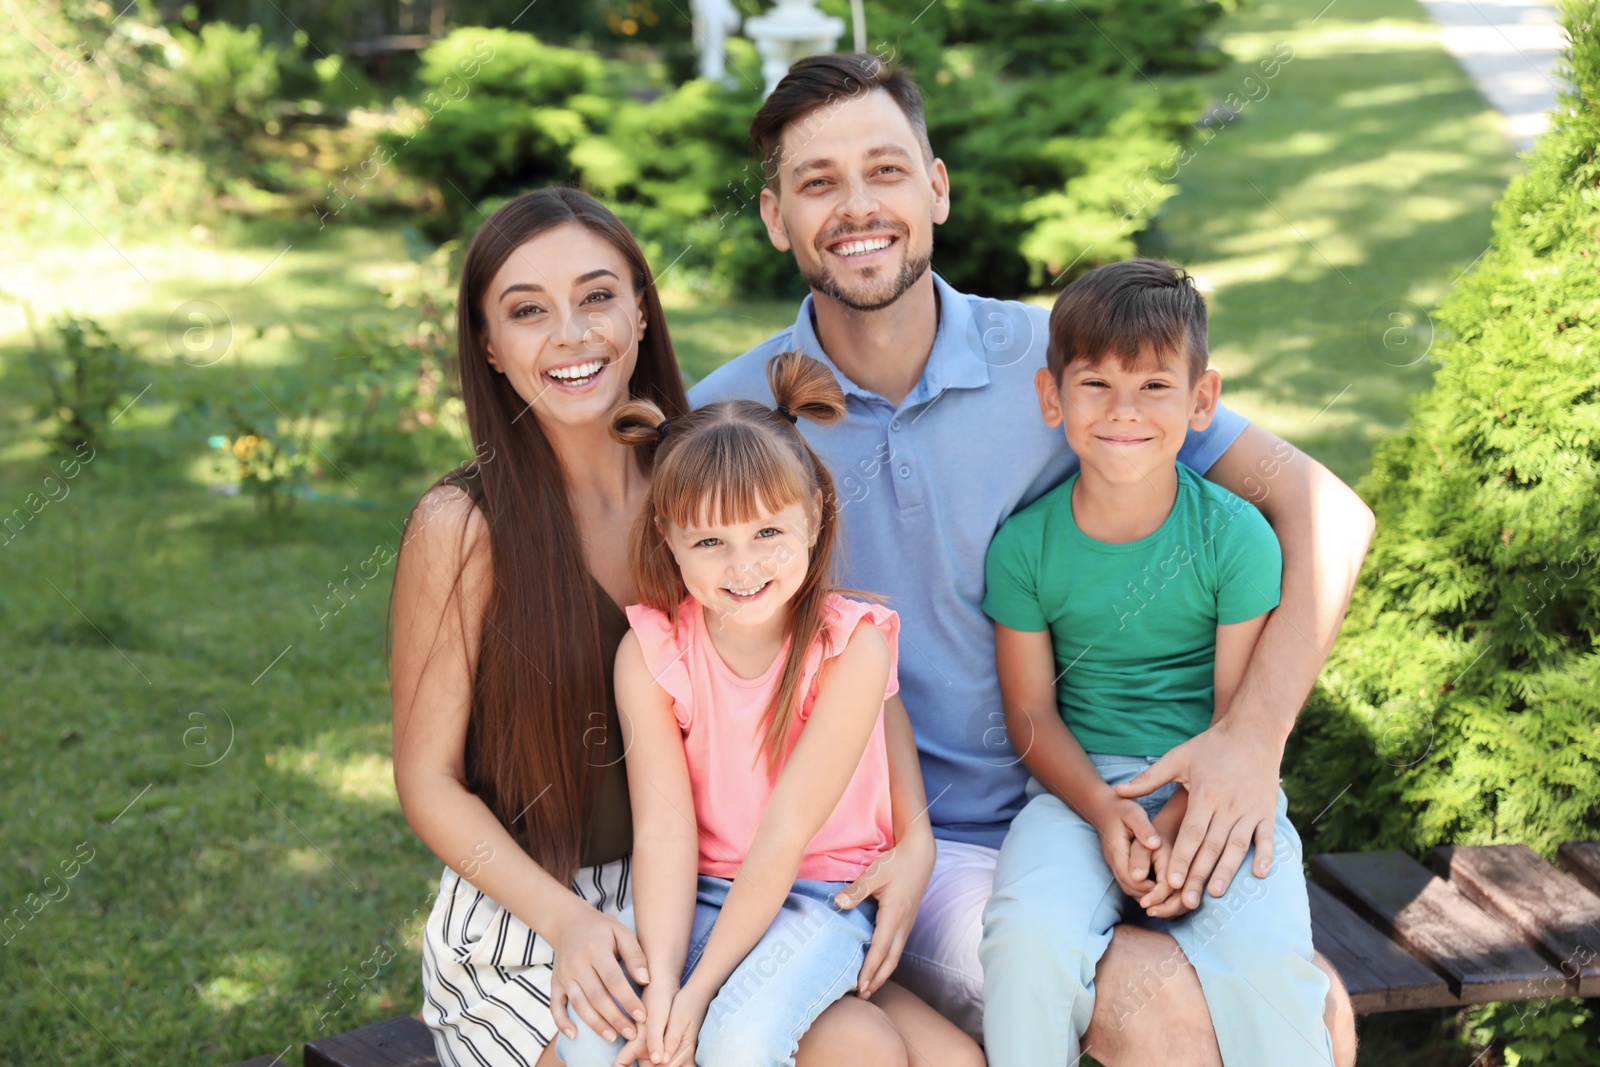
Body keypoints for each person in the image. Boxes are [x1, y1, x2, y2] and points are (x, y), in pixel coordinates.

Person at [689, 53, 1365, 1065]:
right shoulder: (732, 421)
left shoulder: (1059, 367)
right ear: (774, 215)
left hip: (1108, 790)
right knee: (1167, 1017)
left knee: (1316, 1010)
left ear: (937, 187)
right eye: (816, 182)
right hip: (902, 855)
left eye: (884, 169)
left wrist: (1249, 738)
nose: (856, 205)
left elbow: (1328, 510)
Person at [389, 187, 955, 1067]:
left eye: (598, 295)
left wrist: (913, 834)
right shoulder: (463, 527)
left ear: (643, 314)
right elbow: (427, 780)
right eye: (528, 311)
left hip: (729, 882)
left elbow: (839, 657)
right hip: (534, 899)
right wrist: (567, 920)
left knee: (878, 1047)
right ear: (491, 347)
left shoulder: (707, 486)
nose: (573, 334)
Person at [560, 351, 983, 1067]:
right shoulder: (653, 650)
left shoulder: (851, 646)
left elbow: (785, 834)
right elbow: (663, 830)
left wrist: (696, 1000)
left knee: (740, 1043)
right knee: (599, 1042)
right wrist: (663, 984)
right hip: (691, 895)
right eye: (710, 542)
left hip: (820, 898)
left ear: (814, 514)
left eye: (766, 533)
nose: (744, 566)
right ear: (667, 535)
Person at [979, 259, 1333, 1065]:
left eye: (1153, 387)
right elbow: (1031, 714)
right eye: (1095, 384)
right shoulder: (1025, 548)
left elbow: (1235, 717)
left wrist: (1179, 824)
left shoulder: (1236, 537)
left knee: (1272, 970)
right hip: (1078, 791)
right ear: (1051, 396)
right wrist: (1108, 814)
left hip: (1220, 790)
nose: (1123, 411)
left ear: (1202, 400)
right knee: (1025, 940)